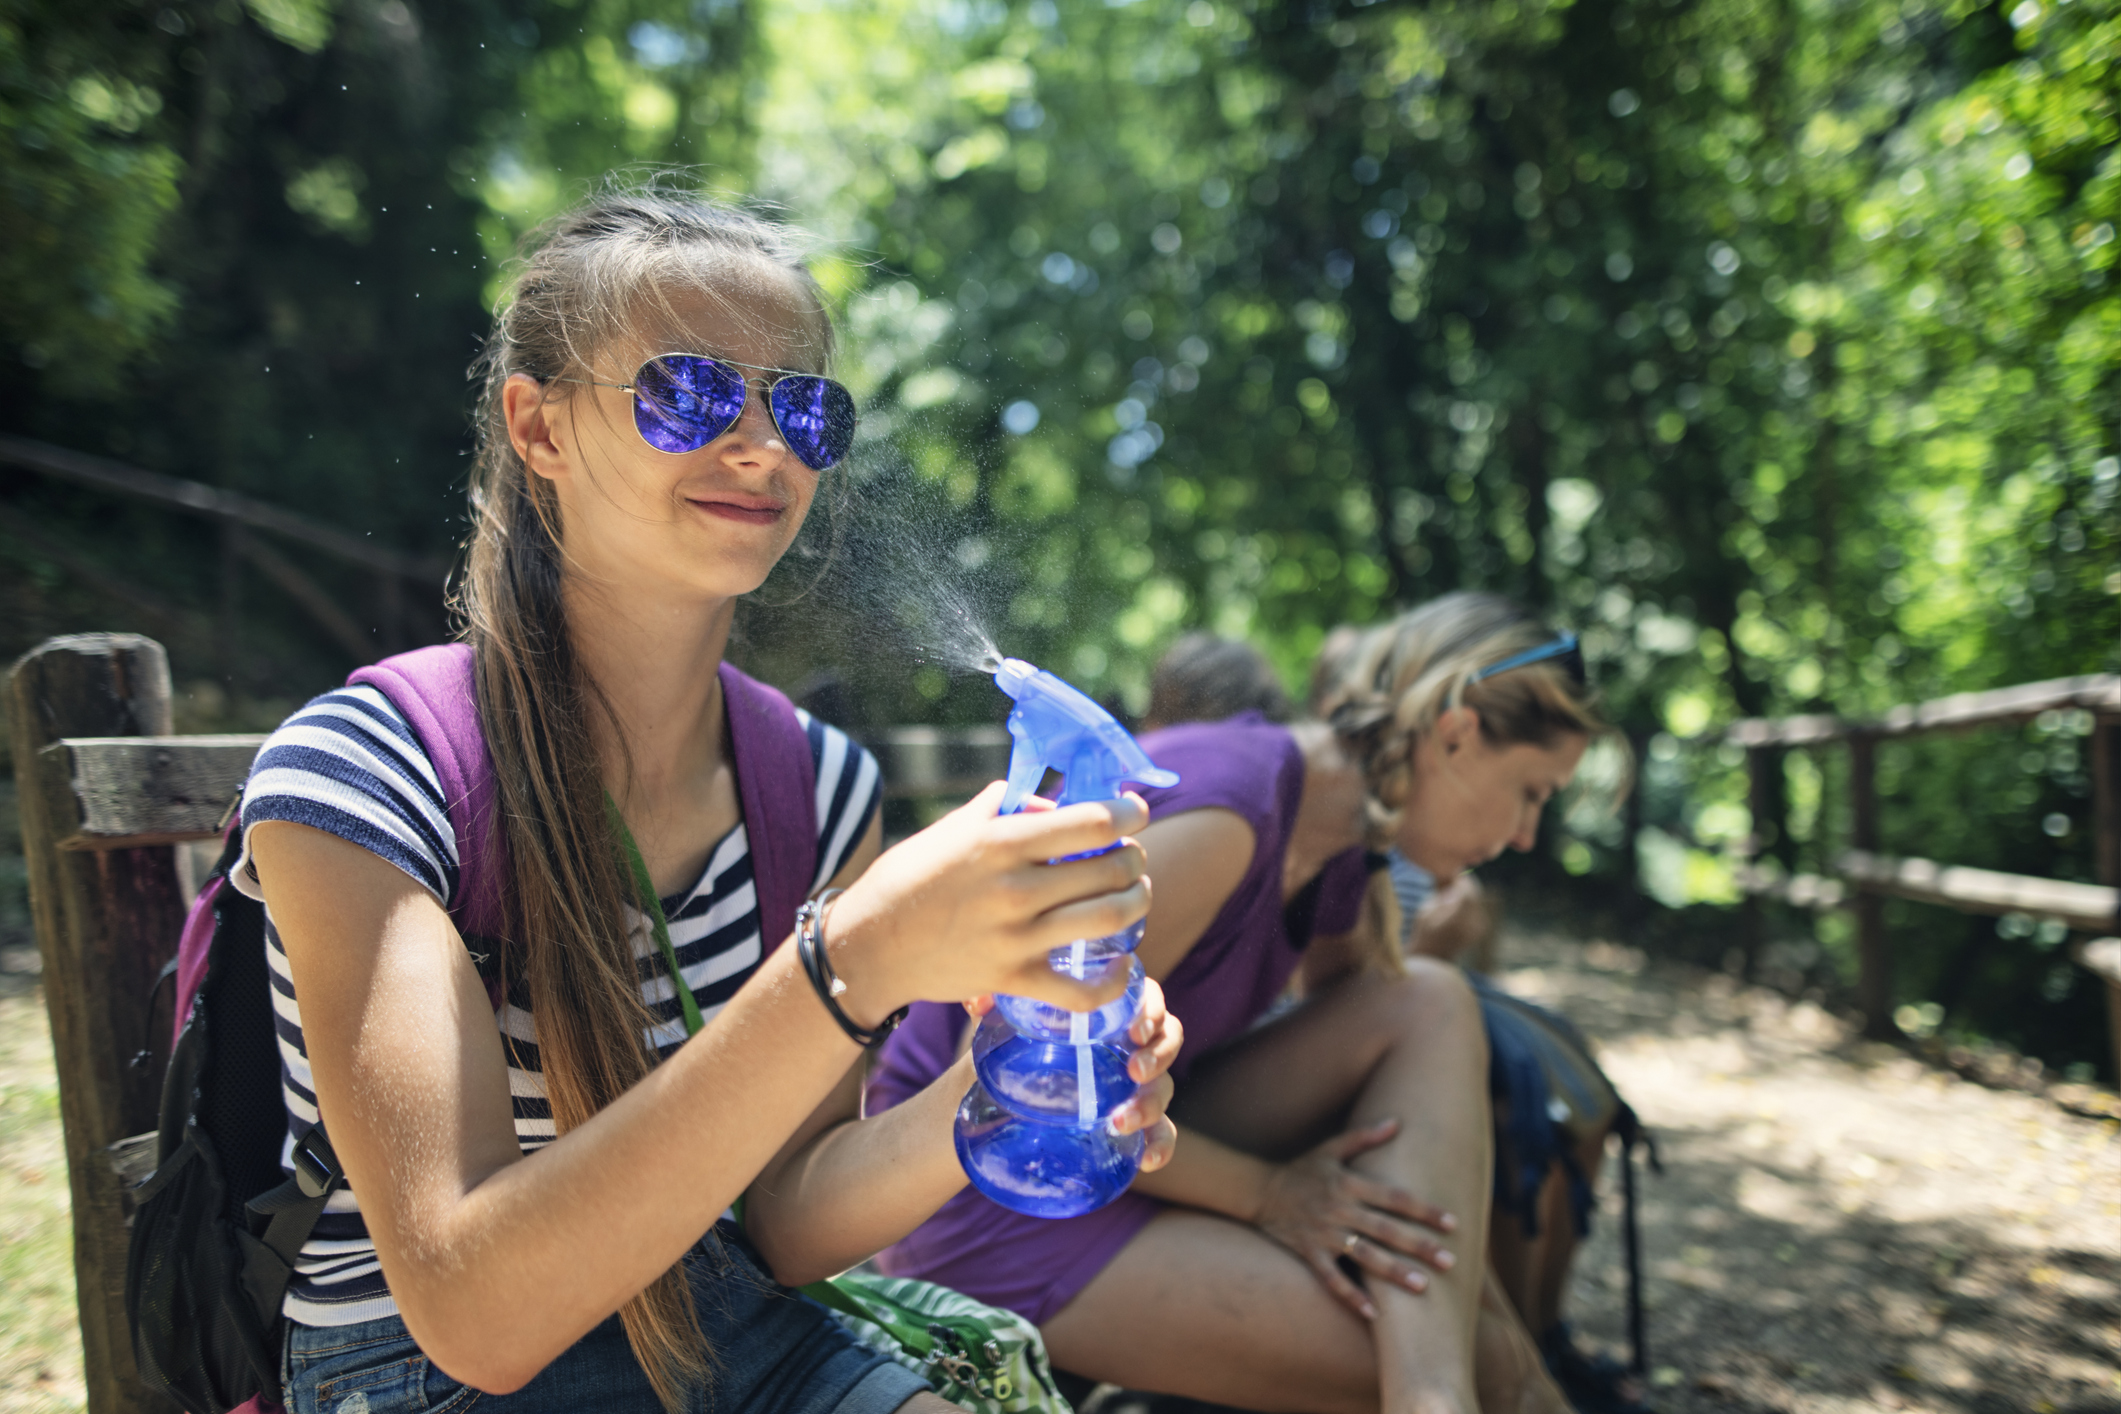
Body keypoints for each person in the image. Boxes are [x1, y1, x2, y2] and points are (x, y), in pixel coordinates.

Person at [236, 185, 1183, 1413]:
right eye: (684, 392)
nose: (764, 446)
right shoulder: (365, 773)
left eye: (804, 407)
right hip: (423, 1377)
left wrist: (1000, 1092)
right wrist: (849, 963)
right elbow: (475, 1312)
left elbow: (785, 1219)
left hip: (726, 1326)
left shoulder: (819, 785)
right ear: (539, 429)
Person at [872, 592, 1610, 1414]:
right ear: (1457, 734)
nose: (1523, 837)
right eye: (1531, 794)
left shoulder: (1339, 838)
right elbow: (1020, 1092)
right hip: (997, 1192)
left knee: (1429, 1001)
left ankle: (1436, 1393)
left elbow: (1379, 1088)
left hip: (1137, 1144)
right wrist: (1270, 1195)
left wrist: (1489, 1312)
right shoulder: (1231, 817)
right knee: (1491, 1368)